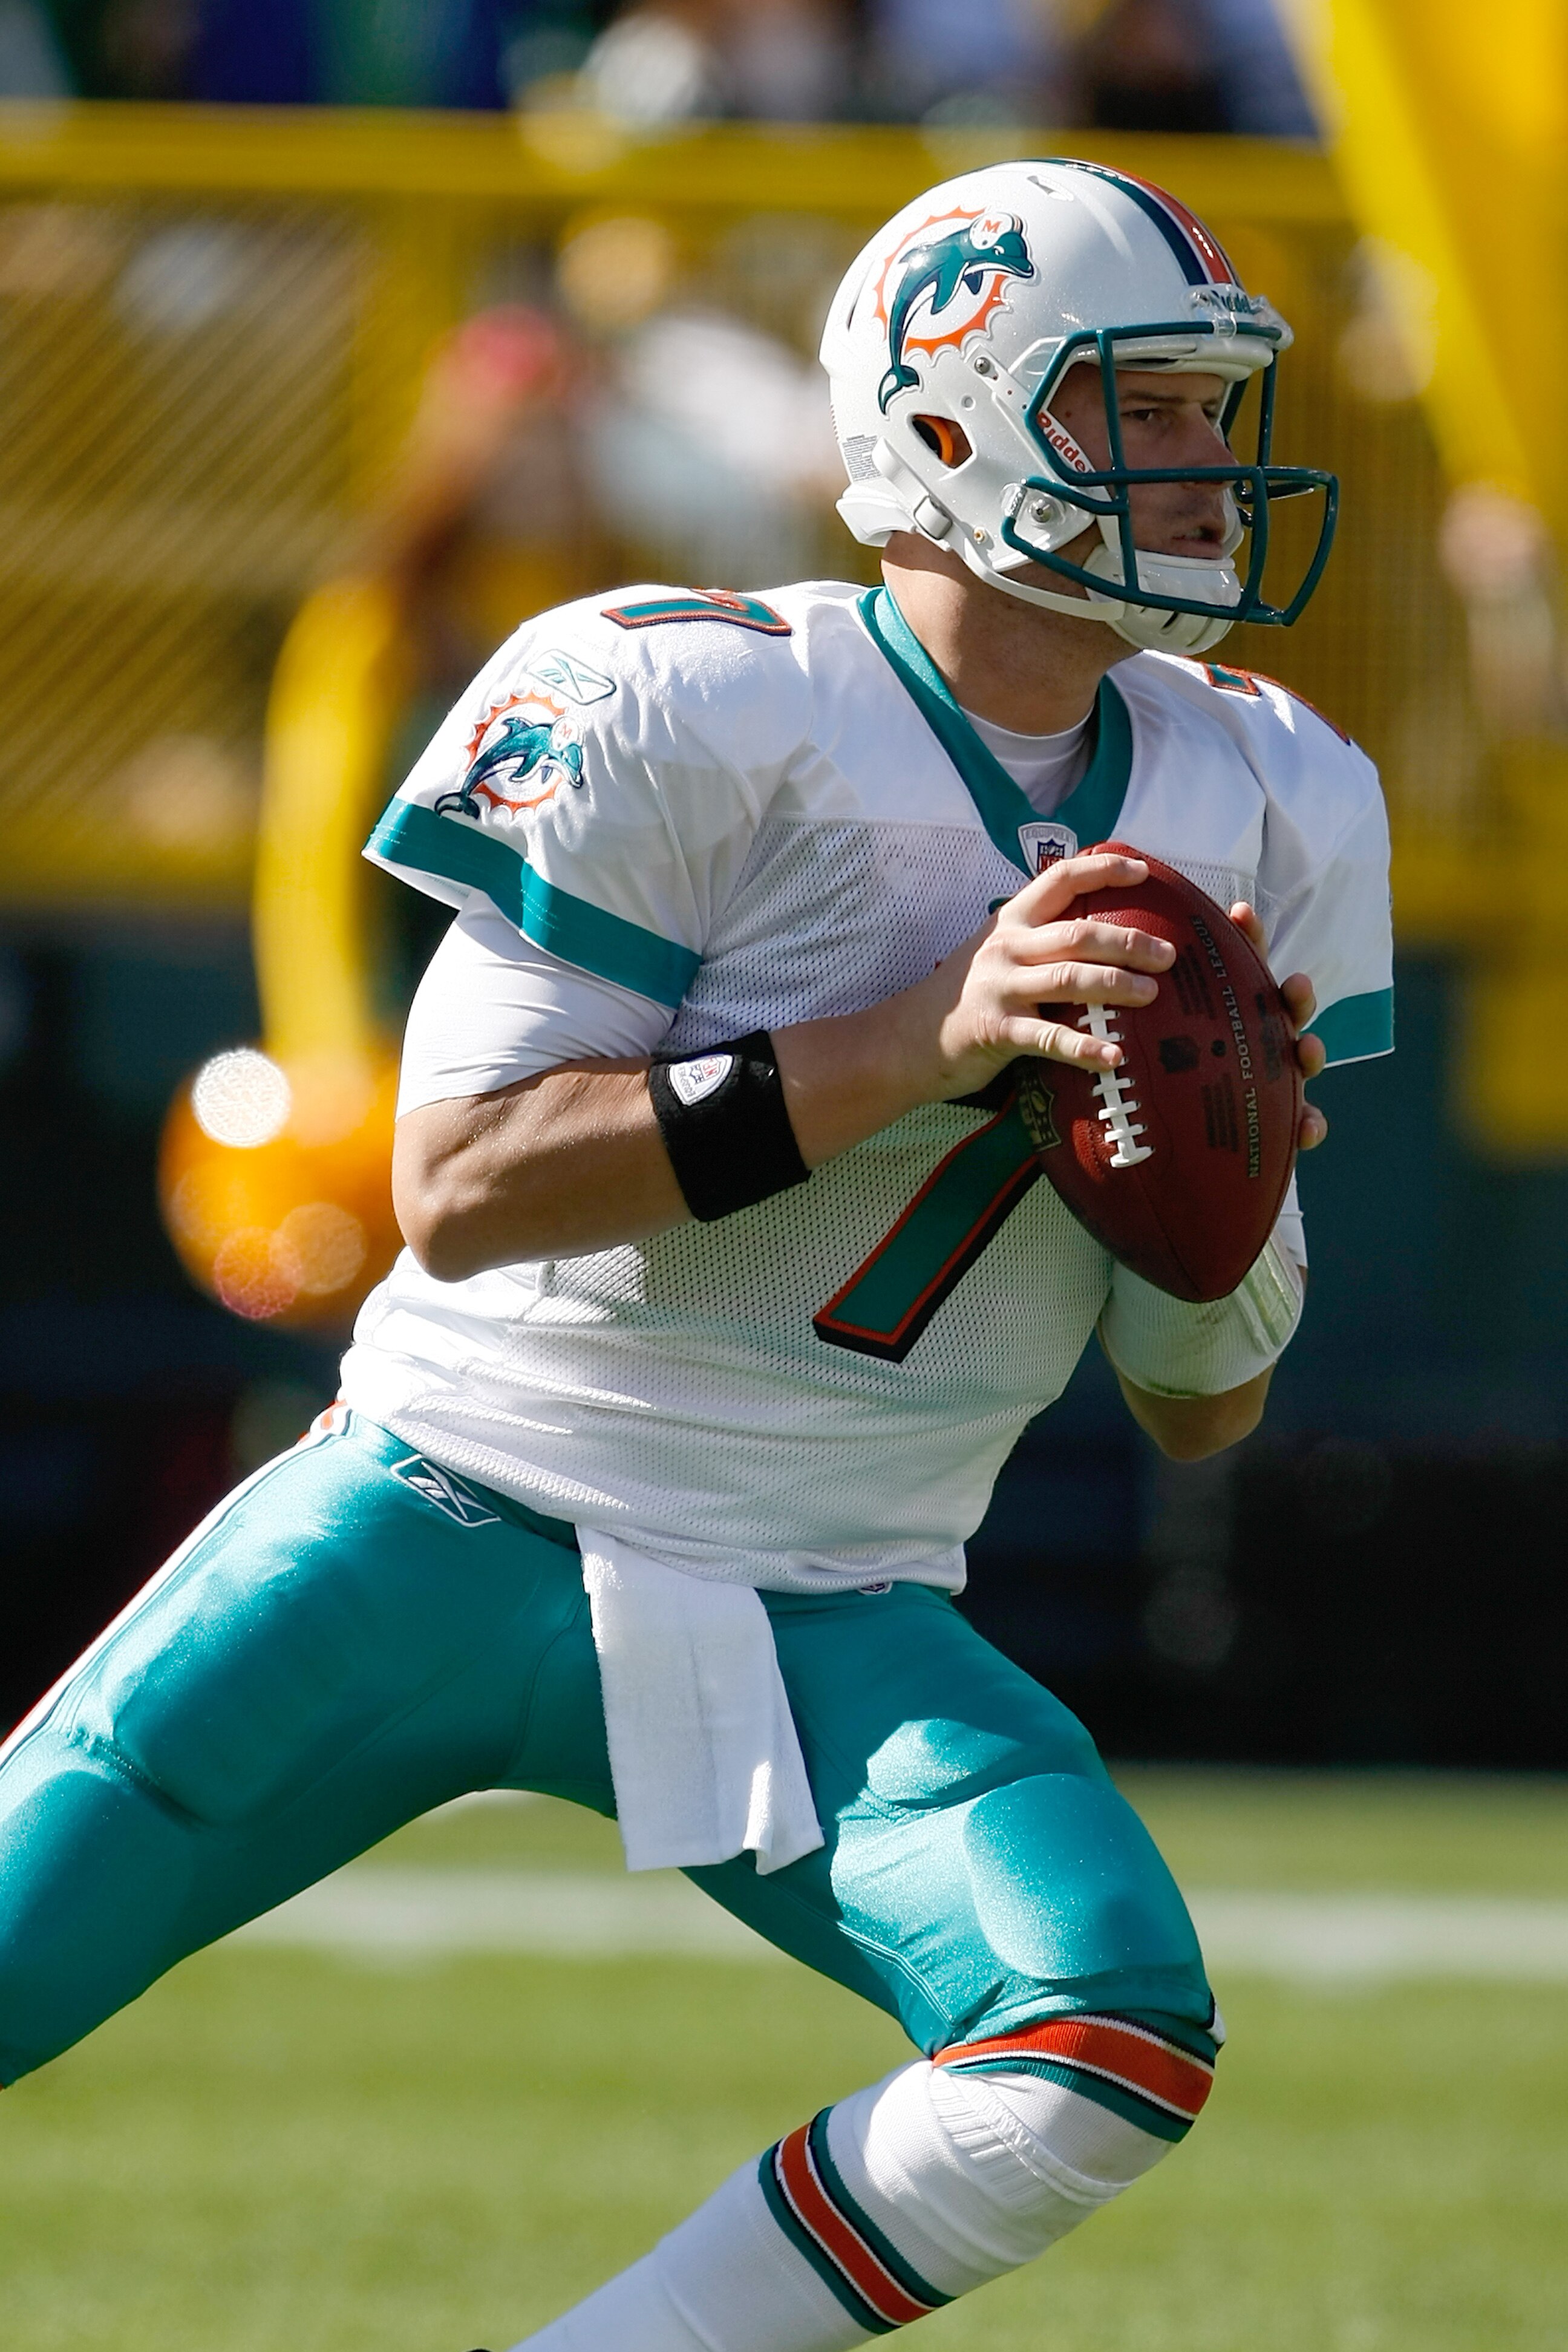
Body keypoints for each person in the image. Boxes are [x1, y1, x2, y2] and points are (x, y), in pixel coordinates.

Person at [0, 159, 1391, 2348]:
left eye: (1223, 415)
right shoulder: (694, 697)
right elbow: (460, 1183)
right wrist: (929, 1040)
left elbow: (1202, 1408)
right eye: (1157, 410)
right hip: (444, 1517)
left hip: (833, 1600)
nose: (1218, 469)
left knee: (1101, 2040)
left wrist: (1200, 1186)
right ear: (956, 422)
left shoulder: (1272, 798)